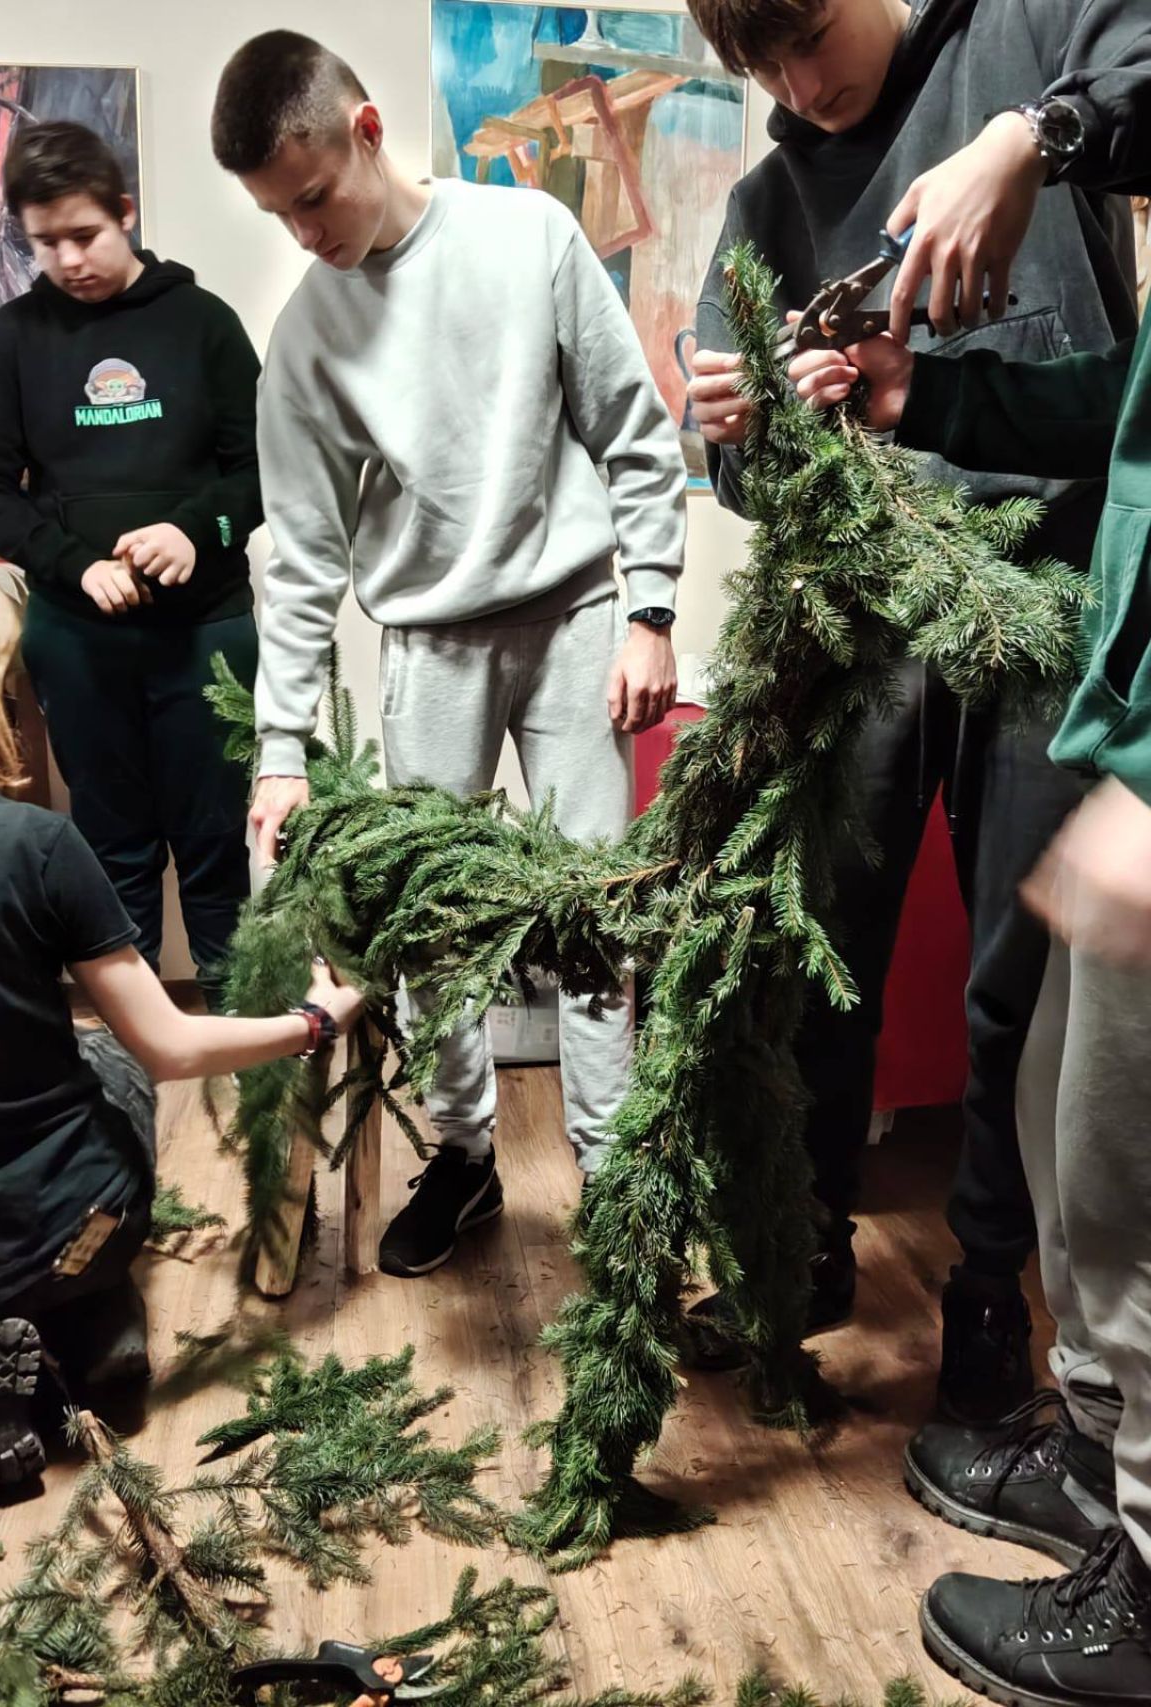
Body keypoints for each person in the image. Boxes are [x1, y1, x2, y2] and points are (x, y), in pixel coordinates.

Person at [684, 0, 1149, 1424]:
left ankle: (992, 1296)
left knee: (1019, 985)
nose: (796, 82)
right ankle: (803, 1242)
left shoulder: (1024, 35)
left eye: (807, 37)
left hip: (1047, 596)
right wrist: (746, 430)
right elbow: (739, 472)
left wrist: (1032, 135)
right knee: (819, 951)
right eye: (758, 64)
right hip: (865, 629)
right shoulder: (767, 203)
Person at [209, 32, 687, 1278]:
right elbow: (301, 561)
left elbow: (631, 429)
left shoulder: (527, 237)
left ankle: (612, 1176)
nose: (303, 233)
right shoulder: (306, 338)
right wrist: (280, 750)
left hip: (577, 619)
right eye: (276, 215)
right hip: (428, 636)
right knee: (428, 928)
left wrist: (648, 610)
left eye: (314, 197)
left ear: (367, 131)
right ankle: (466, 1156)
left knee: (592, 914)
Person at [787, 250, 1151, 1705]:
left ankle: (1144, 1602)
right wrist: (924, 396)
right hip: (1122, 746)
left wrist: (1025, 141)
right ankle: (1098, 1468)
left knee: (1129, 1184)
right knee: (1078, 1150)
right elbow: (1124, 401)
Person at [0, 543, 363, 1501]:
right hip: (63, 1232)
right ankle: (88, 1324)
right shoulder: (34, 842)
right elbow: (171, 1046)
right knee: (118, 1068)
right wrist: (313, 1020)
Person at [0, 121, 264, 1009]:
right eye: (44, 242)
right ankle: (132, 1058)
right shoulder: (12, 339)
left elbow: (263, 470)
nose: (68, 260)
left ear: (125, 212)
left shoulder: (203, 323)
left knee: (214, 845)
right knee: (109, 849)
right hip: (76, 637)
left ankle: (246, 1051)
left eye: (85, 234)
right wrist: (73, 564)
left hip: (205, 632)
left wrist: (196, 531)